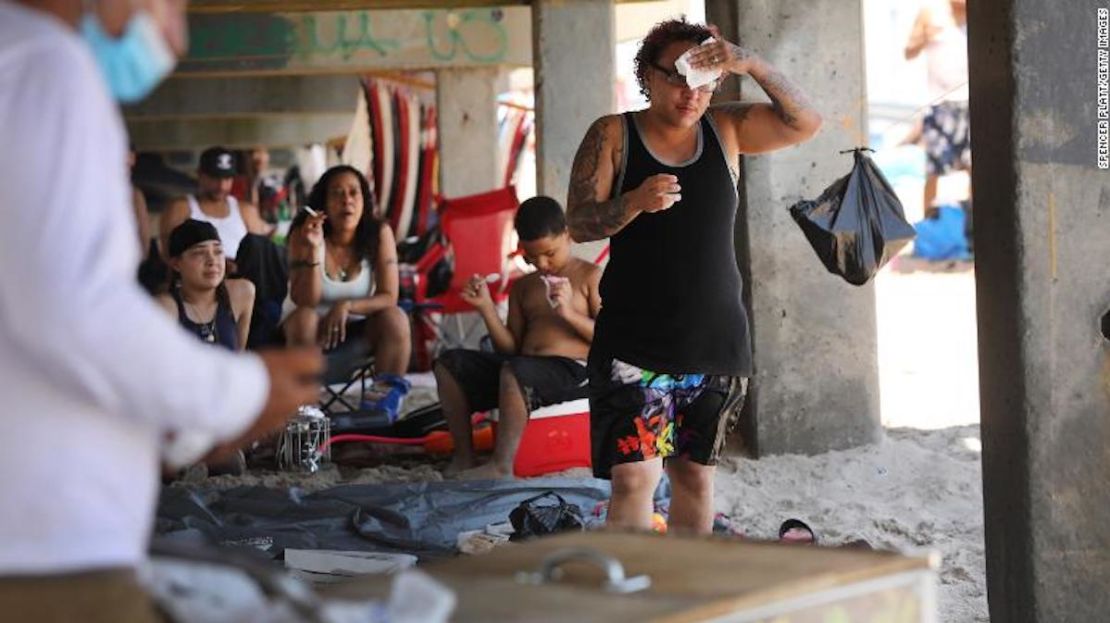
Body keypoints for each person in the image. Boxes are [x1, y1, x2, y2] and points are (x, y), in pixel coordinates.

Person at [0, 1, 322, 620]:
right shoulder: (47, 66)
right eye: (171, 4)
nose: (176, 37)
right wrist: (242, 392)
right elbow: (77, 314)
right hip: (41, 550)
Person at [566, 18, 821, 534]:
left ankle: (686, 604)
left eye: (705, 79)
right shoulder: (613, 133)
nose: (691, 93)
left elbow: (805, 122)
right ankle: (631, 602)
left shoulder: (725, 129)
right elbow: (578, 222)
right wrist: (635, 202)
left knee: (695, 479)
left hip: (716, 341)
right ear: (648, 75)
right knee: (635, 479)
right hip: (635, 344)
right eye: (679, 77)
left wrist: (748, 61)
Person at [435, 196, 602, 479]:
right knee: (449, 364)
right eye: (531, 256)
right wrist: (487, 309)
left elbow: (611, 338)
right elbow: (510, 347)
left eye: (550, 252)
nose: (542, 263)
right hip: (522, 370)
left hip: (573, 372)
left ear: (568, 235)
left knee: (515, 372)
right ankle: (464, 456)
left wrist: (569, 314)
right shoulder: (523, 287)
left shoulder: (589, 276)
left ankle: (502, 464)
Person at [282, 165, 412, 418]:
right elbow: (305, 300)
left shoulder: (379, 233)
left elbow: (389, 295)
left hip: (357, 331)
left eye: (354, 193)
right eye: (337, 194)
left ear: (364, 200)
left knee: (396, 318)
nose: (347, 201)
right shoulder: (304, 233)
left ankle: (380, 409)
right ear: (324, 204)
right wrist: (313, 250)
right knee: (306, 317)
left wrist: (346, 306)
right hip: (307, 334)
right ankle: (306, 410)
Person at [904, 0, 970, 215]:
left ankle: (973, 226)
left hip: (972, 103)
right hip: (940, 105)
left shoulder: (981, 14)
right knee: (933, 170)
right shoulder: (931, 13)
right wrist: (924, 37)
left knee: (977, 168)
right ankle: (927, 227)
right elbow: (909, 52)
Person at [160, 145, 274, 265]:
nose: (221, 186)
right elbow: (170, 259)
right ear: (200, 175)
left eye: (227, 179)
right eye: (215, 178)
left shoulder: (246, 211)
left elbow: (260, 257)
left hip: (240, 280)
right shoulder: (181, 208)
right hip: (194, 282)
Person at [157, 220, 255, 352]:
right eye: (199, 253)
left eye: (218, 251)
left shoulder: (241, 293)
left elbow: (238, 356)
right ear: (176, 264)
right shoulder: (166, 307)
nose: (212, 260)